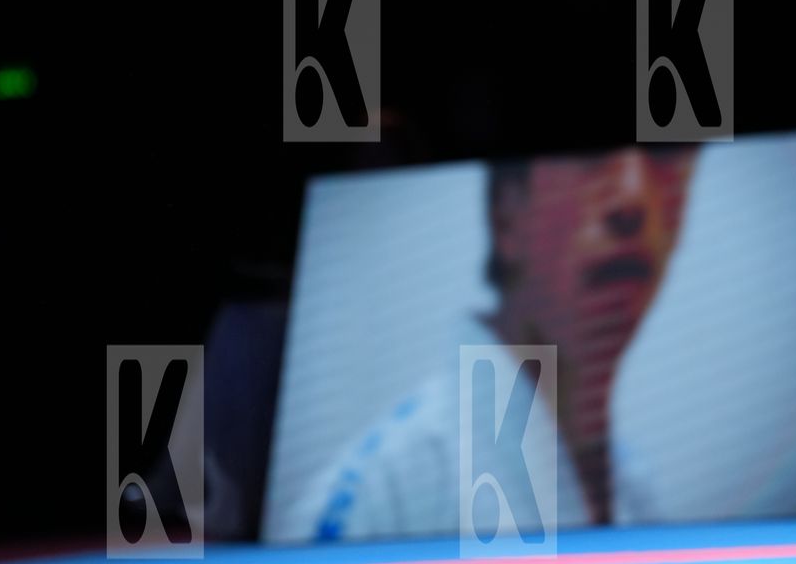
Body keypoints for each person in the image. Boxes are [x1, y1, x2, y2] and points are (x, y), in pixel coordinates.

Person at [293, 144, 701, 542]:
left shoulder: (637, 492)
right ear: (507, 215)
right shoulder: (381, 500)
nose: (633, 198)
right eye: (588, 155)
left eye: (666, 152)